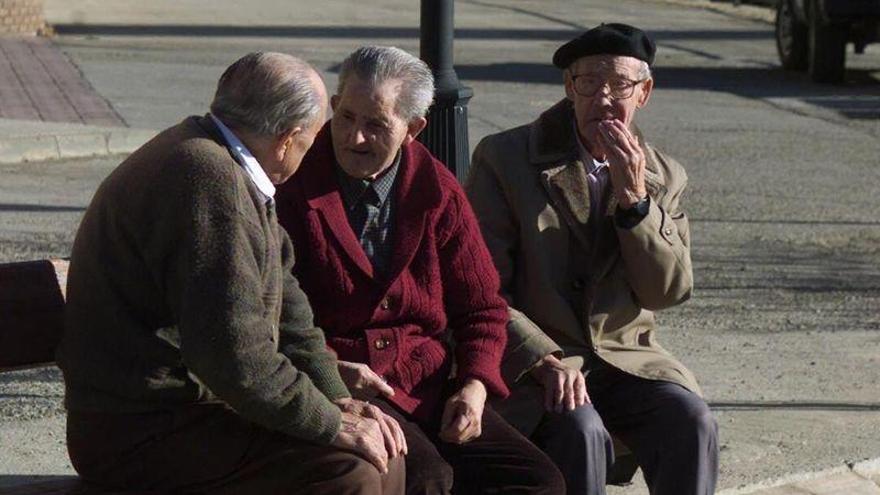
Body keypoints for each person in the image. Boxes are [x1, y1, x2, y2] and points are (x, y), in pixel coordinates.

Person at [58, 52, 406, 495]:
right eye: (314, 138)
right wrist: (329, 422)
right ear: (288, 138)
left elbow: (289, 306)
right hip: (138, 429)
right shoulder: (207, 178)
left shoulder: (226, 164)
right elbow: (233, 355)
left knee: (380, 454)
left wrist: (339, 399)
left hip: (184, 412)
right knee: (349, 469)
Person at [275, 45, 564, 495]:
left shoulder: (436, 190)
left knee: (536, 481)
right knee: (427, 478)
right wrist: (332, 368)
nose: (354, 138)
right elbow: (272, 311)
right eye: (346, 116)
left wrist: (474, 386)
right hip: (338, 384)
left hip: (428, 387)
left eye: (376, 125)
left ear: (413, 129)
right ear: (332, 106)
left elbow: (483, 308)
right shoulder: (294, 184)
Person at [466, 23, 719, 495]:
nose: (603, 98)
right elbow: (482, 287)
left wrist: (636, 203)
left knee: (692, 420)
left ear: (644, 92)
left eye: (619, 85)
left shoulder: (664, 174)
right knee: (582, 432)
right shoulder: (506, 158)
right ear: (569, 87)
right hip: (538, 361)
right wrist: (540, 357)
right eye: (588, 83)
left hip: (628, 361)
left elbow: (667, 291)